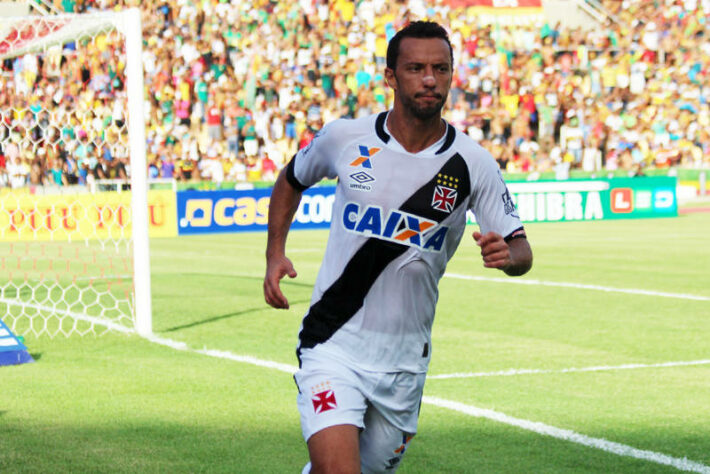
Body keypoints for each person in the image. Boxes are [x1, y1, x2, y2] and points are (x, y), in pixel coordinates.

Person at [263, 21, 533, 473]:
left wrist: (509, 257)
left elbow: (521, 247)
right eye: (415, 68)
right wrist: (275, 251)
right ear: (390, 77)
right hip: (333, 342)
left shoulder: (473, 163)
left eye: (440, 69)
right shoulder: (346, 139)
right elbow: (291, 179)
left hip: (404, 364)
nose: (430, 79)